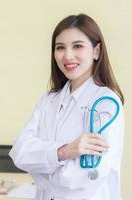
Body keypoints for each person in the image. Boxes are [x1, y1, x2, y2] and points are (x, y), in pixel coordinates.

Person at [9, 13, 124, 200]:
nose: (68, 55)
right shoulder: (48, 100)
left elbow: (85, 179)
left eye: (77, 46)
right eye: (60, 47)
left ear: (96, 51)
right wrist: (64, 151)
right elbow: (19, 152)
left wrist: (39, 169)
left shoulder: (106, 104)